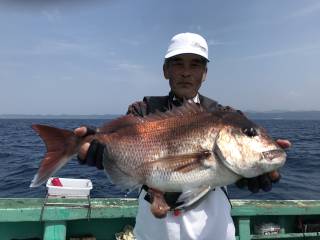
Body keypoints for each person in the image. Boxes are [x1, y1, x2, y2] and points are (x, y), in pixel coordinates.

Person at [75, 32, 291, 240]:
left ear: (204, 73)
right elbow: (126, 150)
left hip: (212, 232)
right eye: (178, 63)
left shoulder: (229, 115)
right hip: (155, 232)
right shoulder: (142, 111)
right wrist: (102, 151)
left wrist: (252, 173)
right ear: (165, 70)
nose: (186, 72)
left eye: (195, 64)